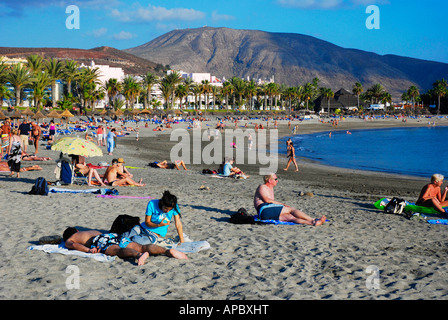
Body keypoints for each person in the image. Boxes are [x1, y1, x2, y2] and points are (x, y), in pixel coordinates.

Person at [62, 228, 187, 266]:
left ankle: (138, 256)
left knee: (117, 250)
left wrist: (88, 250)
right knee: (142, 246)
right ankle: (166, 251)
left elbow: (73, 244)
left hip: (101, 240)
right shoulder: (90, 231)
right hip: (112, 235)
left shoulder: (71, 238)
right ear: (76, 229)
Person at [253, 173, 326, 226]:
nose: (277, 181)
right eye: (275, 179)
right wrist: (282, 204)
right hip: (263, 209)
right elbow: (267, 200)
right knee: (291, 209)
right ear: (269, 180)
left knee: (290, 217)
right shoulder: (262, 187)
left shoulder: (270, 188)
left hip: (266, 213)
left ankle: (312, 223)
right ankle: (312, 219)